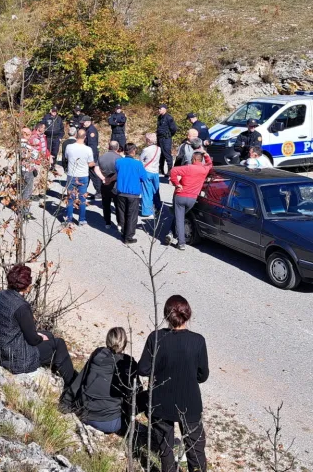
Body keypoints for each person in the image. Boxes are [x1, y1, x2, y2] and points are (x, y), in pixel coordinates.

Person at [139, 295, 209, 472]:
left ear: (166, 315)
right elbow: (203, 375)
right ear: (188, 314)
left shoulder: (155, 338)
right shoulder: (198, 341)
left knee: (165, 448)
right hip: (189, 403)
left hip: (161, 402)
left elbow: (143, 369)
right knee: (195, 449)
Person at [0, 264, 76, 389]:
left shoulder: (1, 295)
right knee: (58, 343)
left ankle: (61, 370)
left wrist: (40, 335)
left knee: (48, 335)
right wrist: (39, 338)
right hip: (15, 358)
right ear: (26, 287)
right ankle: (72, 383)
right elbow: (33, 340)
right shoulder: (22, 307)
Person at [65, 327, 141, 434]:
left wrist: (66, 403)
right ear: (124, 344)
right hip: (109, 423)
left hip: (84, 413)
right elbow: (136, 392)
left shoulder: (98, 353)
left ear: (107, 341)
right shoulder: (128, 362)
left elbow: (80, 379)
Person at [166, 151, 214, 251]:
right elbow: (210, 164)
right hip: (192, 199)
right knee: (180, 216)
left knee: (179, 218)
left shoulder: (188, 167)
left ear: (194, 159)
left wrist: (177, 183)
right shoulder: (204, 169)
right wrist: (206, 154)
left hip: (180, 196)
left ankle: (181, 243)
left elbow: (173, 170)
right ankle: (170, 233)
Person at [64, 128, 106, 226]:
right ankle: (81, 219)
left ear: (76, 136)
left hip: (71, 175)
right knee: (82, 198)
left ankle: (69, 219)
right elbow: (90, 163)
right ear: (85, 137)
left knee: (71, 197)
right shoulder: (88, 149)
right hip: (83, 175)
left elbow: (66, 157)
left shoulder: (69, 147)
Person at [114, 143, 147, 244]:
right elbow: (144, 177)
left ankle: (124, 232)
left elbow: (117, 171)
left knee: (122, 213)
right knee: (132, 216)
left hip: (121, 192)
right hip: (133, 193)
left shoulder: (118, 162)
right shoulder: (138, 164)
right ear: (133, 151)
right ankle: (129, 236)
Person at [97, 141, 122, 229]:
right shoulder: (119, 158)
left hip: (104, 184)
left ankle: (107, 222)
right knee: (118, 205)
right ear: (117, 148)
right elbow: (119, 172)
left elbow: (96, 168)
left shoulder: (101, 157)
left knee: (106, 204)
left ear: (109, 147)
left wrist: (103, 178)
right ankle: (119, 223)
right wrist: (111, 179)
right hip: (115, 185)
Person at [138, 133, 162, 218]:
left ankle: (147, 211)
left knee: (147, 192)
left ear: (148, 140)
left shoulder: (146, 150)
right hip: (155, 172)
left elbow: (141, 160)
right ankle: (158, 206)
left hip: (147, 172)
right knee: (155, 190)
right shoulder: (158, 149)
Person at [19, 127, 40, 221]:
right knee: (27, 192)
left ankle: (23, 209)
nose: (31, 136)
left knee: (25, 191)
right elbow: (25, 156)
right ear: (25, 134)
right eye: (30, 134)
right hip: (27, 171)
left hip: (27, 169)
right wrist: (33, 153)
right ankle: (25, 212)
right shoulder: (23, 144)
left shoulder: (24, 144)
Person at [156, 104, 178, 176]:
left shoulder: (169, 118)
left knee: (167, 154)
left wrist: (168, 135)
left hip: (166, 138)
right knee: (160, 154)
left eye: (160, 109)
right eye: (158, 109)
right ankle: (160, 169)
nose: (159, 110)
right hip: (160, 138)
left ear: (165, 109)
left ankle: (170, 170)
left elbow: (174, 129)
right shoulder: (159, 117)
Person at [82, 116, 102, 198]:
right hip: (89, 156)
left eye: (84, 122)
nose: (83, 123)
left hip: (92, 157)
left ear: (88, 122)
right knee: (88, 174)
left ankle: (99, 191)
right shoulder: (88, 129)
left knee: (94, 174)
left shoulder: (91, 131)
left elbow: (92, 146)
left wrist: (92, 159)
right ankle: (83, 190)